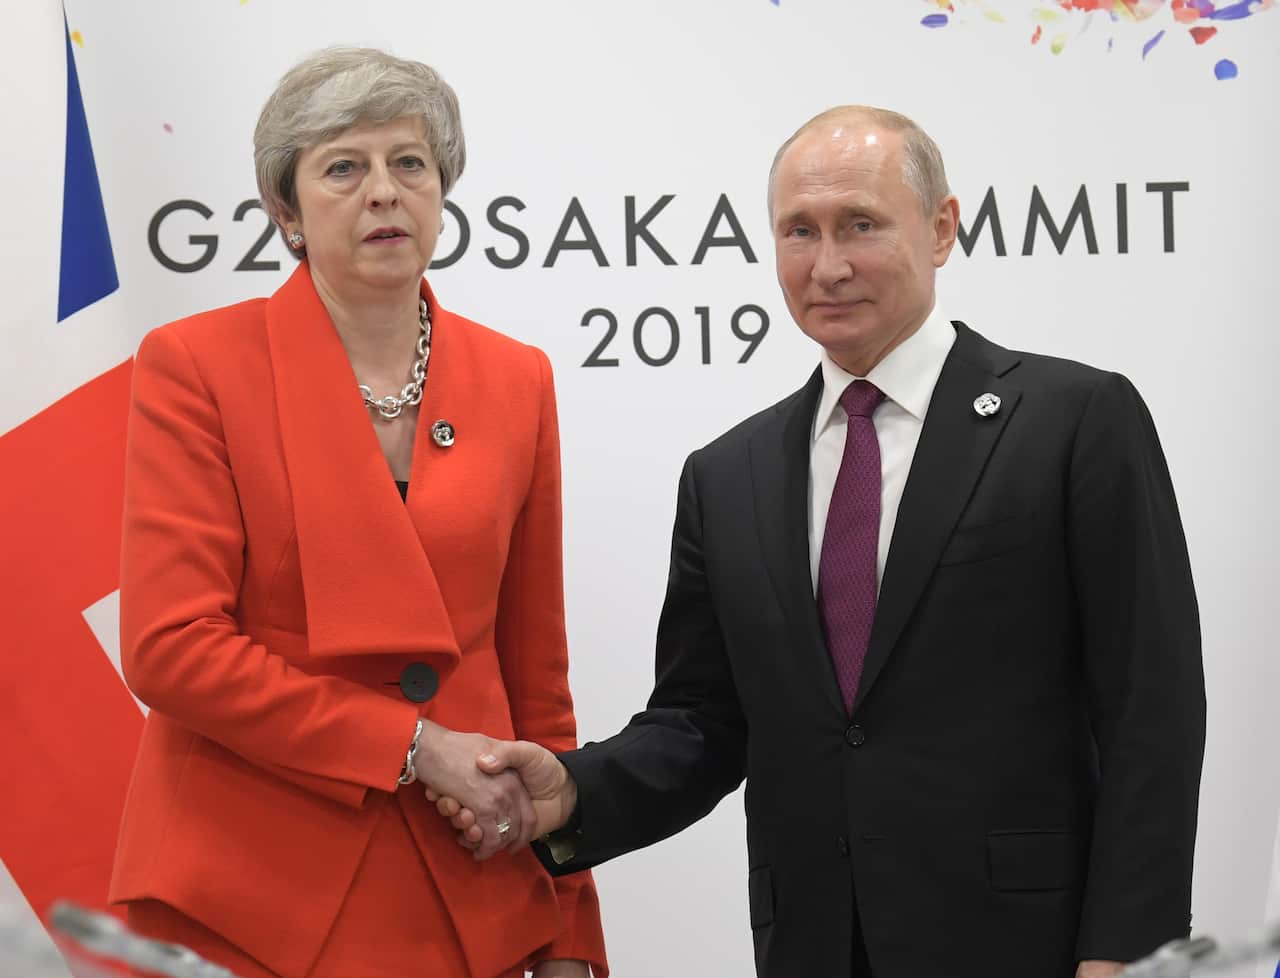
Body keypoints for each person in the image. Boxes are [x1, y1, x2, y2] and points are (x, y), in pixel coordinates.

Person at [433, 106, 1206, 978]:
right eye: (799, 231)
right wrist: (574, 790)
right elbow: (703, 723)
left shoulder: (1075, 421)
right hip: (815, 948)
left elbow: (1153, 709)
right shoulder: (728, 474)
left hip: (1033, 946)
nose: (827, 265)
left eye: (861, 226)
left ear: (943, 227)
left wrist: (1130, 953)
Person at [109, 47, 606, 978]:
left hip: (473, 889)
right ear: (286, 211)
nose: (385, 192)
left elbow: (536, 676)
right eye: (345, 167)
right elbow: (170, 646)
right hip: (249, 890)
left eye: (410, 163)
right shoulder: (196, 365)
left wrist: (570, 923)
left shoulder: (517, 377)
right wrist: (414, 747)